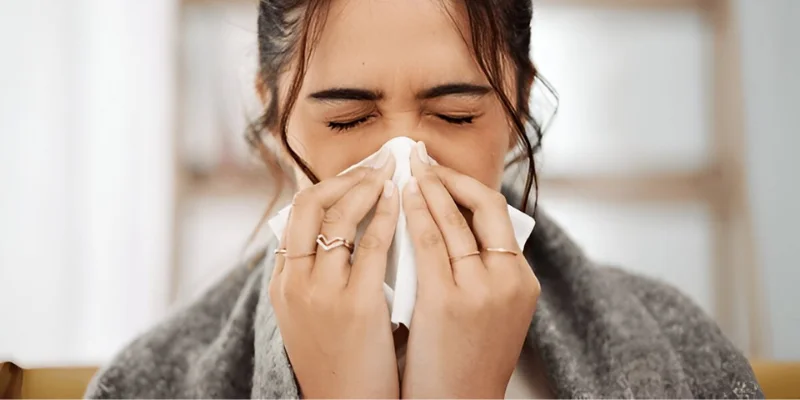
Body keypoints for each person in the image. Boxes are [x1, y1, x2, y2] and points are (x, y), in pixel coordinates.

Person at [85, 0, 763, 398]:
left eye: (457, 115)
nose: (405, 167)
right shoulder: (152, 384)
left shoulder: (676, 353)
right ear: (273, 115)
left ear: (518, 102)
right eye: (347, 119)